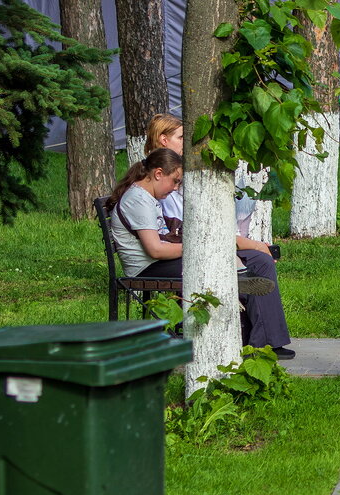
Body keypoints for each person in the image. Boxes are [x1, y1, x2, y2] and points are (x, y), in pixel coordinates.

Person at [106, 148, 294, 359]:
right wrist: (199, 248)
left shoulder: (147, 196)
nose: (176, 187)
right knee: (219, 263)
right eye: (175, 181)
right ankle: (242, 295)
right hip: (149, 268)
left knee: (260, 260)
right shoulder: (138, 199)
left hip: (165, 261)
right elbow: (155, 249)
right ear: (158, 174)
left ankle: (268, 340)